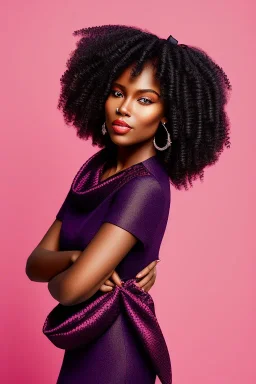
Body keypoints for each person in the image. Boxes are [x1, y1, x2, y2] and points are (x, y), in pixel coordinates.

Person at [25, 24, 232, 384]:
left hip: (116, 353)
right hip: (84, 343)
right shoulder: (94, 171)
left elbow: (70, 290)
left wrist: (63, 278)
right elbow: (34, 264)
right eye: (118, 93)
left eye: (145, 99)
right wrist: (74, 261)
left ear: (166, 116)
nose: (124, 109)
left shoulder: (145, 187)